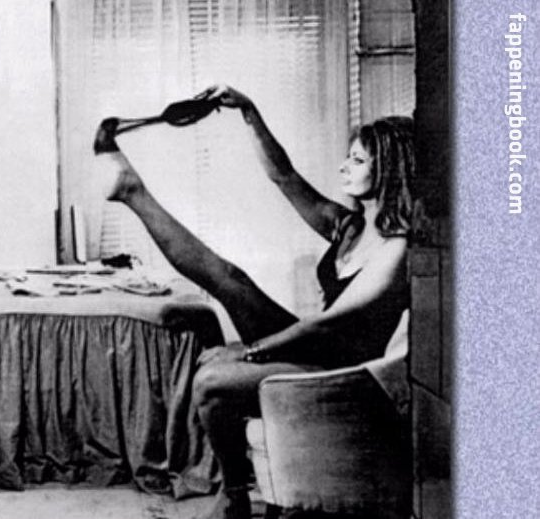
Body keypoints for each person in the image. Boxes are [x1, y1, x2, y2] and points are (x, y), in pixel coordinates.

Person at [93, 85, 414, 519]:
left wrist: (253, 351)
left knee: (212, 379)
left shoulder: (396, 249)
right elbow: (284, 176)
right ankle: (134, 192)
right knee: (230, 281)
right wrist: (249, 111)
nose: (343, 167)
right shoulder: (349, 226)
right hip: (321, 350)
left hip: (345, 368)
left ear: (391, 170)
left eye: (357, 161)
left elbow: (330, 323)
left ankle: (234, 496)